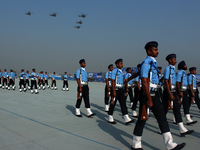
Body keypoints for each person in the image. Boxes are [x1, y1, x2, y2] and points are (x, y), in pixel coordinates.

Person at [131, 41, 186, 150]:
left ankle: (170, 144)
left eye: (157, 49)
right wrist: (149, 98)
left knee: (162, 117)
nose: (158, 51)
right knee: (142, 119)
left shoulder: (152, 63)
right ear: (149, 51)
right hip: (148, 94)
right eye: (155, 49)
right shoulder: (147, 62)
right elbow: (145, 81)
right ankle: (135, 144)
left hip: (154, 93)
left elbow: (142, 74)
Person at [162, 54, 193, 136]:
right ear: (170, 60)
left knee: (177, 109)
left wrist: (178, 92)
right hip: (168, 92)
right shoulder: (168, 69)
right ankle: (160, 127)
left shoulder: (173, 69)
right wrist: (169, 94)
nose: (175, 61)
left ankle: (182, 129)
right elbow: (166, 82)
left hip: (174, 91)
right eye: (174, 59)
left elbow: (175, 82)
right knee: (164, 110)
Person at [107, 59, 133, 125]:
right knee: (113, 103)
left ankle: (126, 118)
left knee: (123, 103)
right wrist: (113, 91)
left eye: (122, 63)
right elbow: (113, 81)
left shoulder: (121, 72)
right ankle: (110, 117)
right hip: (116, 89)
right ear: (117, 64)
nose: (122, 64)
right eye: (120, 63)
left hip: (121, 89)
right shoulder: (114, 71)